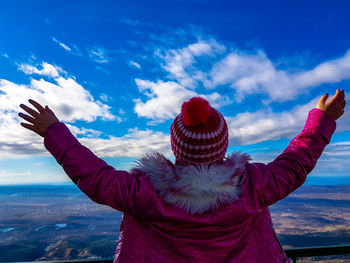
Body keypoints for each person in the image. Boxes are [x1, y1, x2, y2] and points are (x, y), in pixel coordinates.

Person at [18, 90, 346, 263]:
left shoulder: (143, 192)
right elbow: (296, 162)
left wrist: (54, 132)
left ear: (176, 146)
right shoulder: (252, 186)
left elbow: (96, 177)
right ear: (224, 144)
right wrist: (320, 121)